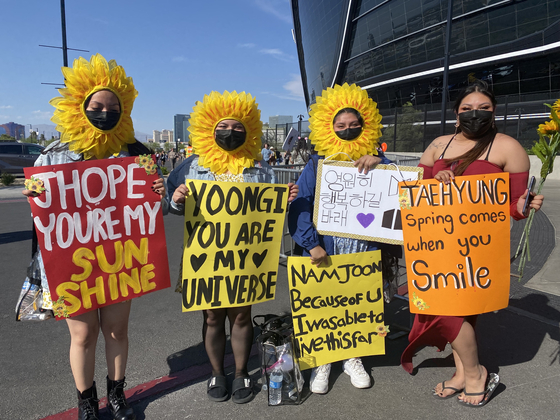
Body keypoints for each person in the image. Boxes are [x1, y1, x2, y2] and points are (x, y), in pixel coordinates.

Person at [21, 54, 167, 420]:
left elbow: (151, 214)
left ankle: (117, 396)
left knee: (117, 330)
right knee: (82, 336)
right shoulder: (51, 157)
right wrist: (34, 196)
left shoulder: (139, 154)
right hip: (73, 263)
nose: (105, 111)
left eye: (113, 106)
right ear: (80, 106)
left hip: (120, 259)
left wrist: (159, 192)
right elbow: (43, 218)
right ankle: (87, 403)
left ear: (125, 109)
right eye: (97, 105)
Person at [400, 81, 544, 407]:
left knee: (455, 312)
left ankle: (474, 373)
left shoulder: (508, 148)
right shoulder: (438, 144)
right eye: (467, 109)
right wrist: (434, 181)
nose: (474, 114)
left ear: (494, 114)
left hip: (476, 248)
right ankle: (465, 373)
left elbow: (512, 205)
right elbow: (417, 192)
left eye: (483, 109)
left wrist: (525, 205)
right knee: (446, 310)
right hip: (434, 246)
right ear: (455, 113)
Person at [167, 90, 298, 404]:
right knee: (212, 317)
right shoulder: (191, 166)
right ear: (210, 129)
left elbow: (267, 214)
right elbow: (169, 206)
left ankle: (240, 372)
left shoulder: (261, 169)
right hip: (207, 256)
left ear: (249, 130)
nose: (231, 132)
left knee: (241, 316)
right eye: (224, 127)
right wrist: (176, 199)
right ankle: (217, 372)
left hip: (246, 258)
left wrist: (285, 202)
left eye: (239, 127)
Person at [288, 83, 392, 394]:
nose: (348, 130)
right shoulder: (317, 163)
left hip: (364, 248)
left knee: (359, 304)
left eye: (354, 125)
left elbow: (398, 195)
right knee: (326, 303)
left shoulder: (378, 161)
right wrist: (311, 243)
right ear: (329, 127)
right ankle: (324, 358)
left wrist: (381, 165)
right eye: (341, 125)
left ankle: (353, 356)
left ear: (365, 125)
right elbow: (301, 203)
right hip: (326, 247)